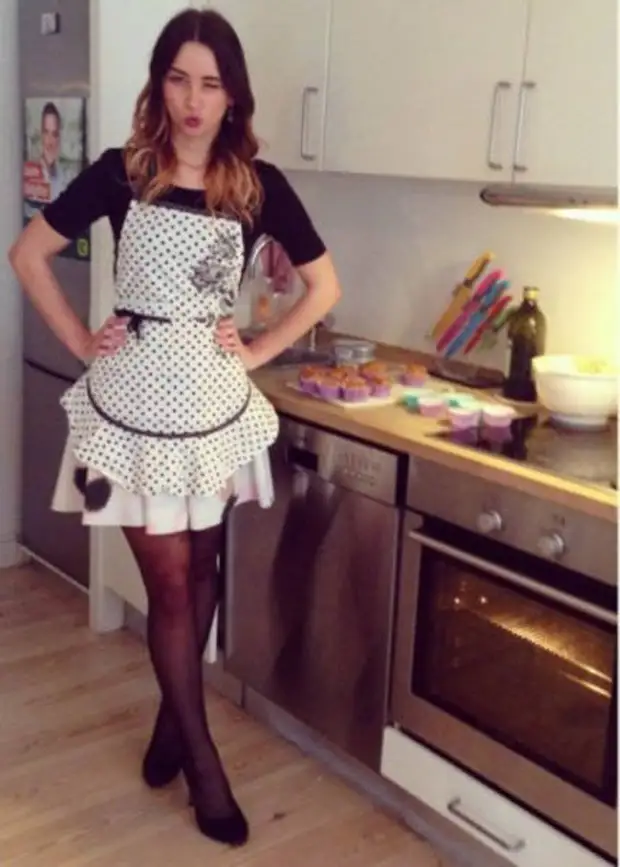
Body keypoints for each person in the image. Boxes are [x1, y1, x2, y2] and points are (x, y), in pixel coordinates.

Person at [9, 7, 340, 849]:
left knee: (203, 574)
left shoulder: (257, 186)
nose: (194, 101)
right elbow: (27, 253)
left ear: (233, 96)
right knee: (168, 585)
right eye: (179, 80)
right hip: (133, 408)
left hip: (212, 407)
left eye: (211, 84)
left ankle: (169, 723)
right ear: (160, 86)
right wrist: (80, 340)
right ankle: (203, 763)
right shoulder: (124, 172)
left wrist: (258, 346)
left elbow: (325, 287)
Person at [39, 101, 70, 201]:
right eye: (46, 132)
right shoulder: (31, 176)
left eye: (54, 134)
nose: (50, 141)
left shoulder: (65, 180)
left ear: (59, 138)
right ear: (41, 135)